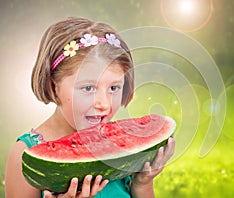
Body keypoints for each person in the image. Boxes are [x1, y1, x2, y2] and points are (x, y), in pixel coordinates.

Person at [5, 17, 175, 198]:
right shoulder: (25, 156)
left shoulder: (123, 149)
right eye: (88, 88)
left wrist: (142, 184)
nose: (104, 104)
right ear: (53, 86)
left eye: (113, 88)